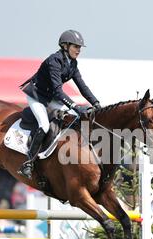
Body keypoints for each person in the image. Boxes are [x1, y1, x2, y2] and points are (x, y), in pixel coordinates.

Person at [18, 30, 101, 178]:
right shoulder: (54, 61)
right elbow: (58, 90)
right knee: (44, 125)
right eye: (76, 47)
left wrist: (95, 102)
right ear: (65, 46)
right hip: (37, 96)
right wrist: (75, 106)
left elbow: (82, 86)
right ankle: (29, 162)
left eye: (80, 47)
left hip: (51, 98)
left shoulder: (73, 64)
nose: (79, 50)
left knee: (75, 118)